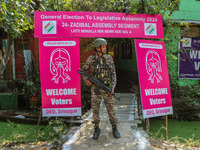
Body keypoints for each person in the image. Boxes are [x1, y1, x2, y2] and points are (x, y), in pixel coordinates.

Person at [82, 38, 120, 140]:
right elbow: (83, 70)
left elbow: (113, 74)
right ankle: (96, 128)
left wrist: (112, 87)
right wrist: (86, 80)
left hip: (107, 87)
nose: (105, 48)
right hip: (95, 89)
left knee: (111, 109)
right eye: (103, 47)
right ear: (97, 48)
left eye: (105, 46)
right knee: (95, 110)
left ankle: (114, 127)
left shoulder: (109, 58)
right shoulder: (91, 59)